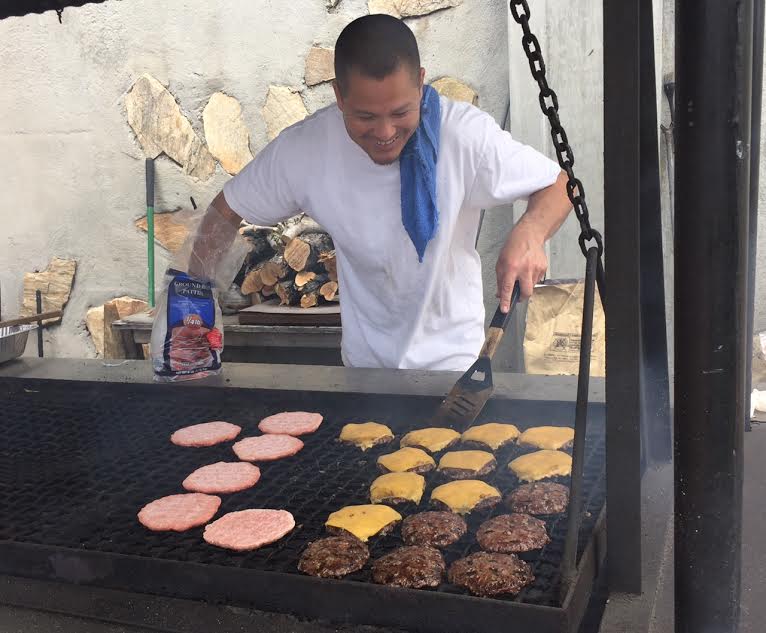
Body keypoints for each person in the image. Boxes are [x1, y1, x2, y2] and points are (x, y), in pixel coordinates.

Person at [190, 14, 572, 372]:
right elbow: (225, 211)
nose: (386, 132)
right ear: (339, 96)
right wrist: (190, 300)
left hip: (453, 366)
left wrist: (531, 232)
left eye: (401, 112)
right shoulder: (306, 150)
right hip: (365, 373)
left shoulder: (463, 135)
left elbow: (559, 185)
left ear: (421, 83)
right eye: (366, 117)